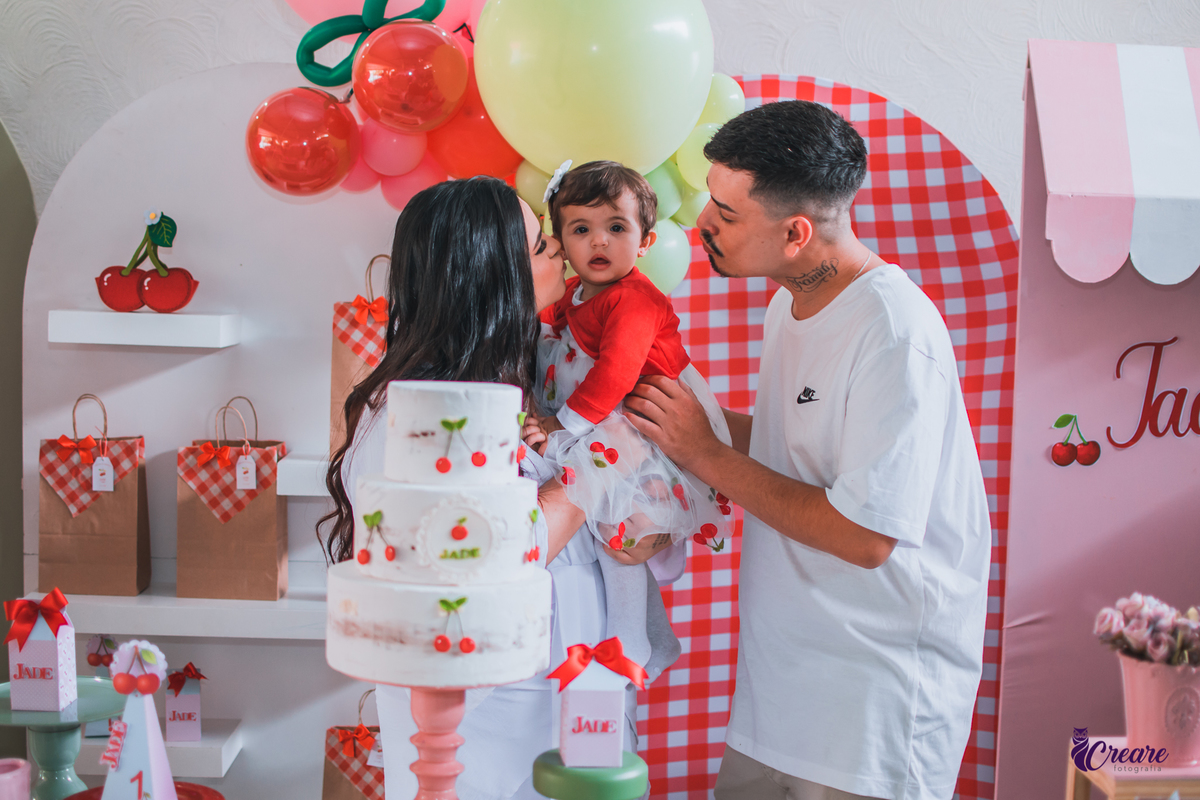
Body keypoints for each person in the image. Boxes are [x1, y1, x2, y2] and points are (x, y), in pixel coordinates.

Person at [626, 101, 991, 800]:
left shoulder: (893, 332)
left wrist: (704, 453)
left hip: (872, 710)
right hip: (780, 695)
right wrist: (662, 412)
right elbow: (789, 450)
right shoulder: (788, 305)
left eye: (727, 214)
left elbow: (866, 534)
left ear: (796, 233)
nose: (702, 223)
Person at [321, 177, 682, 800]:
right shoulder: (419, 417)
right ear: (491, 273)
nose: (562, 257)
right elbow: (490, 548)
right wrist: (598, 466)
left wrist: (634, 523)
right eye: (542, 246)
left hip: (579, 683)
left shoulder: (535, 376)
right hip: (490, 709)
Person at [526, 160, 732, 555]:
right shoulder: (575, 290)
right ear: (562, 242)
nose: (599, 241)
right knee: (598, 506)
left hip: (644, 411)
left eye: (616, 228)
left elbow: (616, 373)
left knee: (631, 525)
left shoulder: (634, 300)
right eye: (582, 229)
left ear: (644, 243)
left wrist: (563, 425)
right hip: (608, 410)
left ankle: (654, 537)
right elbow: (552, 317)